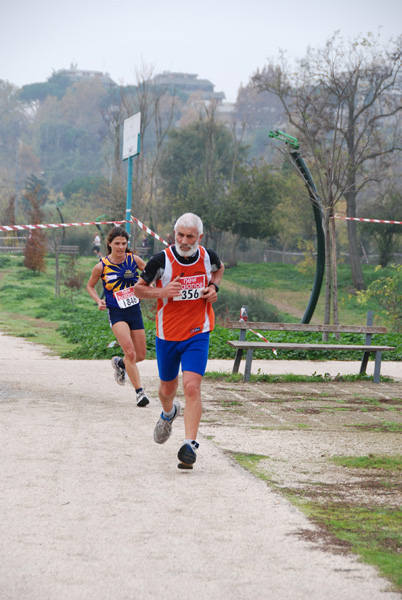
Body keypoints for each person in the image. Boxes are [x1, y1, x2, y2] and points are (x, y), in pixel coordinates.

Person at [134, 212, 224, 469]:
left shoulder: (209, 257)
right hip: (168, 335)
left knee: (192, 387)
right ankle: (168, 413)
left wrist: (214, 288)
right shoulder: (160, 260)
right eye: (180, 235)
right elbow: (139, 289)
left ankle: (189, 446)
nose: (184, 241)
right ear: (174, 235)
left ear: (200, 237)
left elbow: (219, 271)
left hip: (198, 332)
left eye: (190, 236)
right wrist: (163, 291)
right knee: (166, 390)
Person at [86, 226, 150, 407]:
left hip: (134, 310)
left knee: (141, 355)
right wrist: (98, 300)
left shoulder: (134, 260)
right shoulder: (101, 266)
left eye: (124, 243)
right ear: (109, 244)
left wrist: (151, 286)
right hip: (116, 312)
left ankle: (120, 363)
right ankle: (140, 393)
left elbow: (150, 274)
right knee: (130, 352)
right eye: (117, 244)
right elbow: (90, 286)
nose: (121, 247)